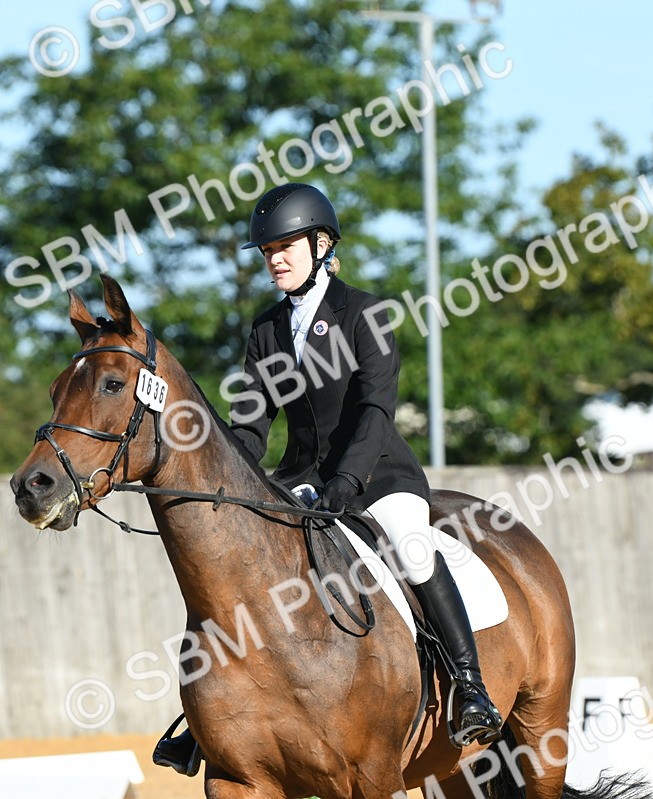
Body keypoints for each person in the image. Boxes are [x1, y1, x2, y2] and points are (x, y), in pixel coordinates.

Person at [153, 183, 502, 776]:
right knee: (244, 563)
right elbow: (252, 423)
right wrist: (225, 474)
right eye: (268, 251)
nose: (276, 259)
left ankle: (470, 686)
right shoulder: (266, 330)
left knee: (411, 547)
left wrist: (347, 482)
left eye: (286, 246)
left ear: (321, 245)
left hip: (378, 476)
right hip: (303, 480)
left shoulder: (364, 313)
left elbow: (375, 411)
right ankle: (211, 718)